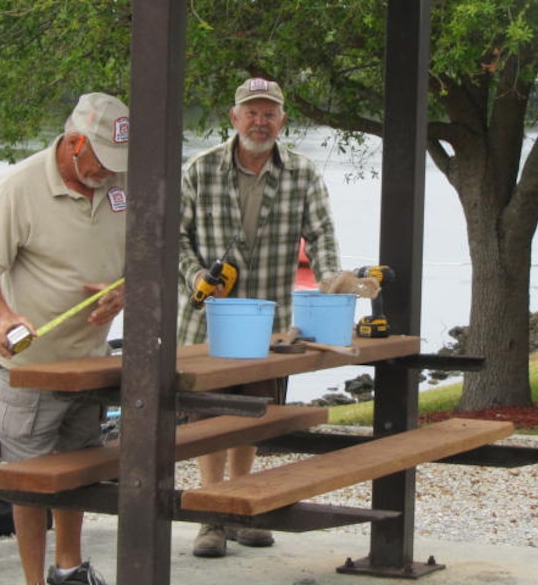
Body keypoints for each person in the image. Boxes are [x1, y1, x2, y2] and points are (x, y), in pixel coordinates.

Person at [178, 78, 342, 558]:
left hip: (269, 318)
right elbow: (175, 236)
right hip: (206, 319)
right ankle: (211, 514)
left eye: (269, 113)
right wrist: (195, 277)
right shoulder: (199, 169)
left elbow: (323, 235)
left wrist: (333, 283)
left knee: (255, 413)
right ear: (234, 118)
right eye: (251, 112)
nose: (260, 121)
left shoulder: (304, 173)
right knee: (207, 414)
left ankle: (245, 505)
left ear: (282, 121)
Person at [0, 92, 129, 585]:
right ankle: (32, 580)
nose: (110, 173)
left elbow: (141, 263)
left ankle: (69, 570)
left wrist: (123, 294)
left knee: (78, 472)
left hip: (89, 365)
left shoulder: (120, 187)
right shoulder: (18, 185)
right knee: (29, 483)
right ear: (75, 142)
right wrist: (2, 316)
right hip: (28, 369)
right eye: (103, 162)